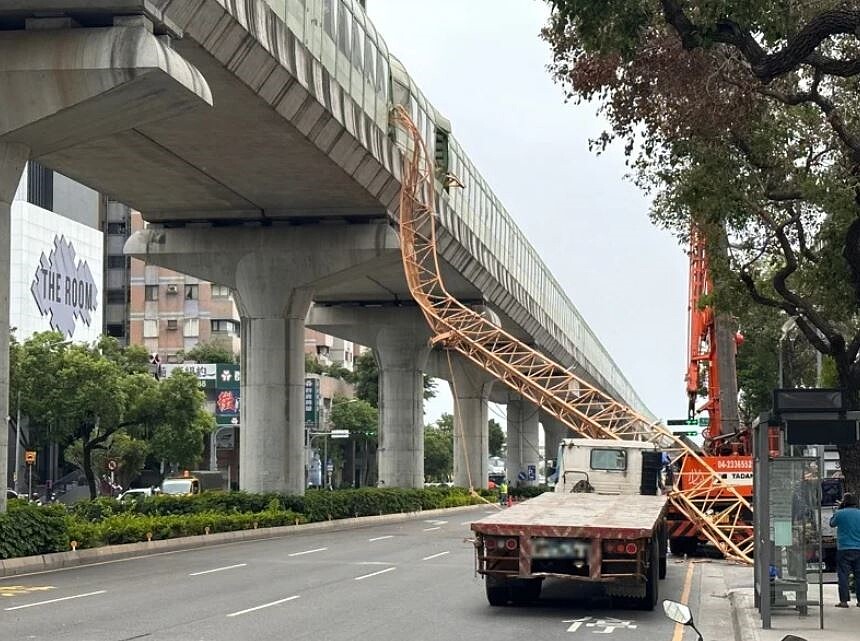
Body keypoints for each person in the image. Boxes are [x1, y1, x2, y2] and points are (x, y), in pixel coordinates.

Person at [829, 492, 860, 608]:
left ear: (844, 502)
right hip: (859, 548)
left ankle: (844, 601)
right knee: (859, 576)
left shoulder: (840, 513)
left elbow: (832, 523)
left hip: (844, 548)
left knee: (843, 575)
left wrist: (838, 509)